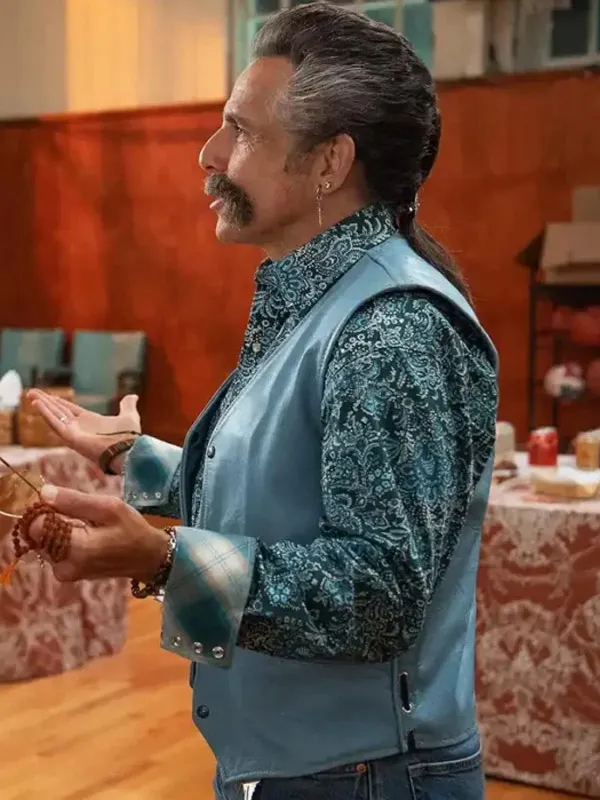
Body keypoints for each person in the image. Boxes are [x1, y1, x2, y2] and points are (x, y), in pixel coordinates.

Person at [28, 4, 498, 799]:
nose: (209, 155)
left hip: (362, 777)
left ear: (329, 162)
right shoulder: (321, 300)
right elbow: (285, 484)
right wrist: (130, 458)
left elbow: (379, 595)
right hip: (304, 767)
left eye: (240, 131)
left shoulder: (391, 329)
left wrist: (162, 559)